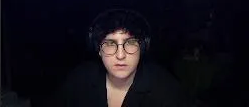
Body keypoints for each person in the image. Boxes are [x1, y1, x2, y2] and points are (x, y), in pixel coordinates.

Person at [53, 9, 190, 107]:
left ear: (142, 48)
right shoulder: (79, 80)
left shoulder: (166, 90)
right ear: (99, 50)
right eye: (110, 43)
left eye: (130, 43)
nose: (120, 55)